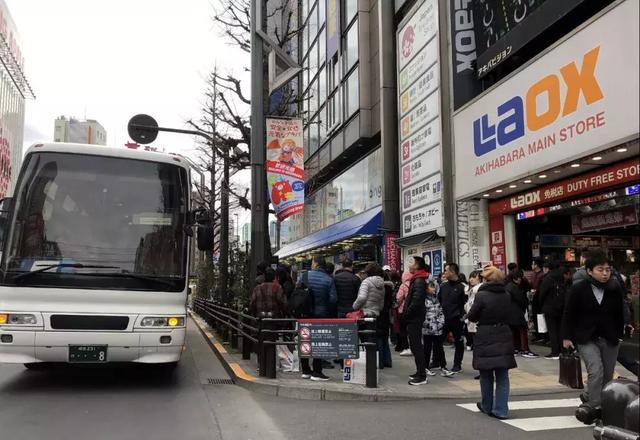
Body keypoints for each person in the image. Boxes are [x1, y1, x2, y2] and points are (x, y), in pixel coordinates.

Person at [562, 251, 625, 424]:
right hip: (585, 336)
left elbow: (620, 312)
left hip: (610, 336)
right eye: (600, 269)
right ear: (589, 271)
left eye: (607, 270)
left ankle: (594, 399)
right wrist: (566, 337)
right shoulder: (579, 287)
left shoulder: (614, 287)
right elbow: (569, 313)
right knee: (595, 371)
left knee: (607, 376)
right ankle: (595, 409)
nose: (605, 273)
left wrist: (620, 334)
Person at [467, 266, 518, 420]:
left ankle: (487, 405)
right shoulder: (507, 294)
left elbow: (472, 316)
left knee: (486, 373)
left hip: (485, 334)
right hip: (503, 333)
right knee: (502, 374)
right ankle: (501, 409)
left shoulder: (481, 295)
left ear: (486, 279)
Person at [298, 256, 338, 382]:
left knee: (304, 340)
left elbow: (297, 294)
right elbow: (333, 299)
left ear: (315, 263)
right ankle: (317, 371)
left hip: (305, 314)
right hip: (321, 314)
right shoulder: (328, 279)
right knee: (319, 341)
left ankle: (305, 370)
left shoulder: (304, 276)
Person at [402, 256, 429, 385]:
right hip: (414, 317)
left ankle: (422, 375)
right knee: (415, 345)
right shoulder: (417, 279)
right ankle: (419, 371)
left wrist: (407, 312)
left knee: (416, 346)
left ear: (417, 265)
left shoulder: (419, 280)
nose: (409, 265)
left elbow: (416, 301)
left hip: (415, 317)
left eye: (411, 263)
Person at [438, 262, 467, 373]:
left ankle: (457, 364)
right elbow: (439, 300)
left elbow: (466, 304)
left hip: (457, 320)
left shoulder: (463, 287)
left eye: (446, 270)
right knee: (438, 341)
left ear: (453, 272)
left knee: (458, 343)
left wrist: (461, 317)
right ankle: (440, 362)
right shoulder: (443, 286)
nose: (444, 272)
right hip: (444, 319)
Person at [538, 265, 571, 360]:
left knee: (552, 331)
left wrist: (542, 306)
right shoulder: (563, 280)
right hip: (561, 308)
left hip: (549, 308)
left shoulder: (548, 279)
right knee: (561, 330)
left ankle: (555, 352)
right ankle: (563, 350)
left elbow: (542, 294)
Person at [422, 281, 454, 378]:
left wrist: (441, 322)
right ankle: (425, 367)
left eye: (434, 287)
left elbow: (440, 312)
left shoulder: (436, 299)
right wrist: (426, 324)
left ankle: (443, 367)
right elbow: (422, 314)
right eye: (431, 287)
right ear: (426, 289)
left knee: (440, 348)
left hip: (437, 328)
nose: (434, 289)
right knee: (427, 348)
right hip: (427, 329)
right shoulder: (424, 300)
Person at [505, 269, 538, 358]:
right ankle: (525, 350)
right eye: (519, 277)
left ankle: (515, 349)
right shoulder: (514, 287)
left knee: (513, 331)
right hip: (516, 312)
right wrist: (527, 300)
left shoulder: (508, 286)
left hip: (509, 313)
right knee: (522, 330)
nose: (520, 279)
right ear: (516, 278)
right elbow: (522, 300)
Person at [394, 271, 413, 355]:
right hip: (413, 310)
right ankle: (414, 347)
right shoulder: (414, 284)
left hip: (403, 310)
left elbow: (399, 298)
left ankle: (406, 347)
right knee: (413, 330)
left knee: (403, 330)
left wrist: (397, 305)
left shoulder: (403, 285)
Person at [464, 270, 483, 351]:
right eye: (470, 277)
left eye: (474, 277)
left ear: (480, 279)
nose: (471, 279)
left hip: (477, 316)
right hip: (471, 314)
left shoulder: (478, 289)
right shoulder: (469, 289)